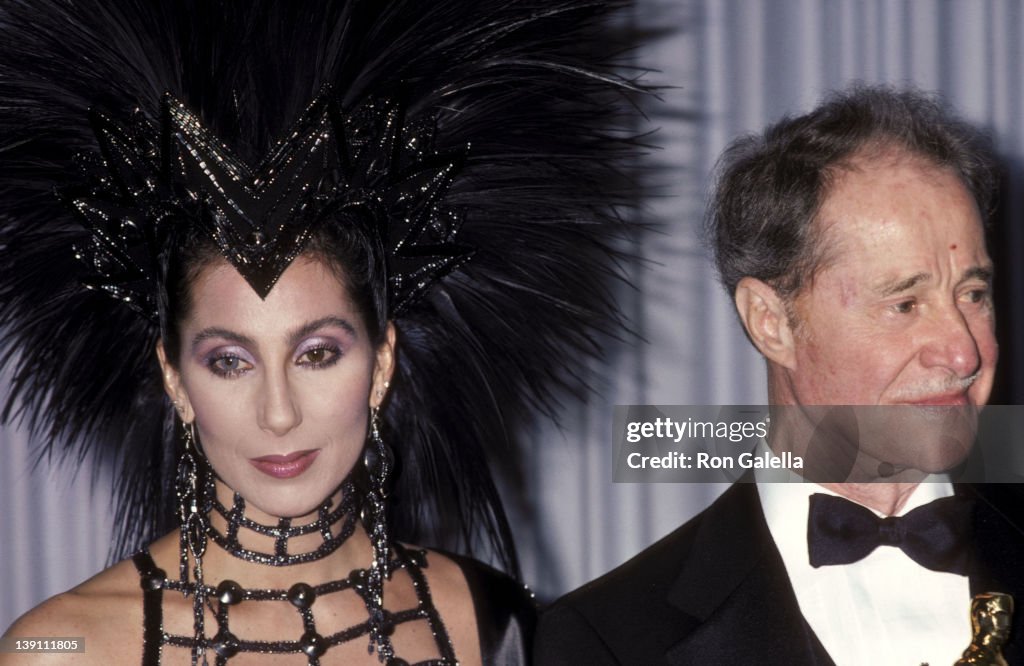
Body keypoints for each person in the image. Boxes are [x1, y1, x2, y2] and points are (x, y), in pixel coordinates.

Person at [0, 1, 641, 663]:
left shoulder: (491, 624)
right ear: (174, 378)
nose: (279, 414)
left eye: (317, 353)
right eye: (229, 361)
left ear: (383, 362)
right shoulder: (62, 646)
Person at [535, 86, 1024, 665]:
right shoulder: (609, 641)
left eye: (972, 293)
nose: (962, 354)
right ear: (772, 324)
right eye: (905, 304)